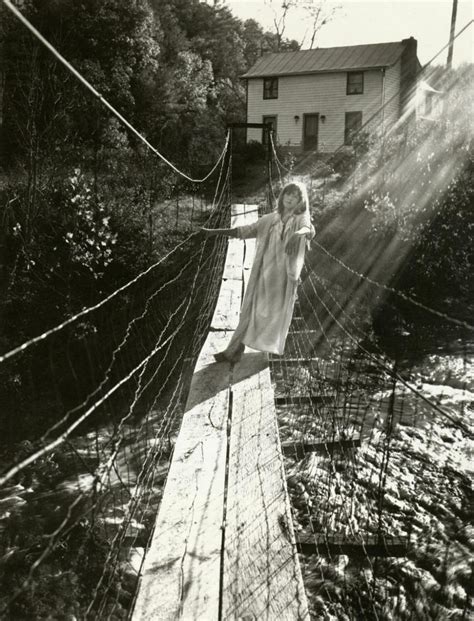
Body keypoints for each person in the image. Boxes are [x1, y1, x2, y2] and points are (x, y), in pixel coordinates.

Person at [201, 181, 315, 363]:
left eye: (295, 196)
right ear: (282, 196)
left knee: (272, 314)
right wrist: (214, 232)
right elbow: (244, 231)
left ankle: (261, 348)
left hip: (284, 277)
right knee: (250, 308)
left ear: (301, 201)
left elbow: (309, 229)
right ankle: (234, 350)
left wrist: (298, 234)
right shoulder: (271, 219)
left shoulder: (300, 220)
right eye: (287, 194)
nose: (290, 199)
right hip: (264, 272)